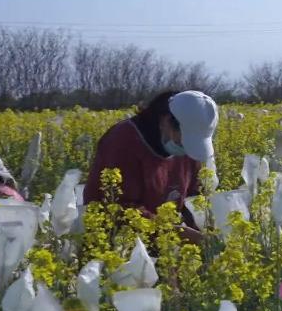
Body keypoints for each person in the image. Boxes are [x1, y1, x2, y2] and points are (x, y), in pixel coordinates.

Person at [84, 90, 218, 243]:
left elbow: (194, 196)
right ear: (166, 121)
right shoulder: (123, 142)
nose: (186, 149)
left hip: (166, 245)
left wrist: (203, 229)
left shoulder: (189, 150)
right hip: (118, 246)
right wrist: (174, 232)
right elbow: (118, 208)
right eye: (184, 141)